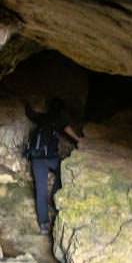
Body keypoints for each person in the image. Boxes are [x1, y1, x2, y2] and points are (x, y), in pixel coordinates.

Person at [24, 98, 80, 232]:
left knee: (40, 190)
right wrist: (80, 141)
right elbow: (68, 130)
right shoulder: (59, 118)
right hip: (51, 158)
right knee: (64, 170)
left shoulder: (41, 118)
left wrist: (26, 102)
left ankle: (43, 224)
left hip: (36, 158)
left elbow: (30, 113)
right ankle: (55, 196)